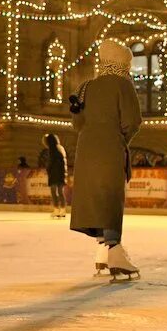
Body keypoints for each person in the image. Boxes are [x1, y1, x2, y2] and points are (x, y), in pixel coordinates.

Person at [69, 40, 142, 280]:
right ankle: (114, 250)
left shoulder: (86, 87)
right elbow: (132, 122)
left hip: (86, 151)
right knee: (110, 197)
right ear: (123, 63)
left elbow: (77, 123)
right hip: (110, 149)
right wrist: (120, 139)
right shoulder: (123, 85)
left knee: (95, 197)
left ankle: (102, 251)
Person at [44, 134, 68, 219]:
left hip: (54, 174)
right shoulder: (60, 148)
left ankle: (57, 209)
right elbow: (63, 162)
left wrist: (48, 170)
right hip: (61, 173)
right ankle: (62, 210)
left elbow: (50, 163)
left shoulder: (52, 150)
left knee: (54, 192)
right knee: (60, 192)